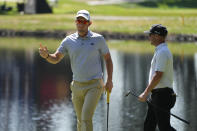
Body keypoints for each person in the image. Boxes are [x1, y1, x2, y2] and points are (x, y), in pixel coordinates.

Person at [39, 10, 113, 131]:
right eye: (79, 21)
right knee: (79, 121)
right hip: (77, 86)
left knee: (85, 118)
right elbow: (56, 58)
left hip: (94, 85)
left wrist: (109, 80)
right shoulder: (68, 40)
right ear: (75, 22)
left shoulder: (98, 39)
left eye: (84, 21)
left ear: (89, 23)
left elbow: (108, 59)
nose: (81, 23)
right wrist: (47, 56)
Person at [138, 24, 176, 131]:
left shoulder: (163, 52)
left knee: (164, 128)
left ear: (158, 36)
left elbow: (158, 75)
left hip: (163, 95)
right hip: (158, 95)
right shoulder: (160, 51)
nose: (149, 37)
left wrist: (145, 93)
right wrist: (150, 93)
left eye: (150, 34)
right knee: (149, 126)